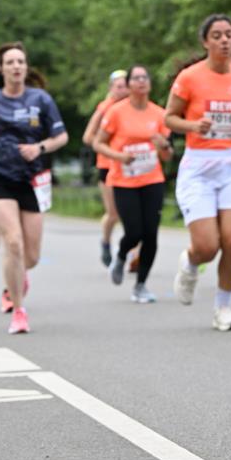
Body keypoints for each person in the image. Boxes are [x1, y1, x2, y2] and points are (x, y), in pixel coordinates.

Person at [164, 14, 231, 332]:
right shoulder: (189, 78)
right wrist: (193, 125)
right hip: (199, 166)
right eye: (217, 35)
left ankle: (223, 308)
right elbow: (169, 119)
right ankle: (190, 264)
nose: (224, 40)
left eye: (229, 34)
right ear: (205, 42)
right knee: (207, 246)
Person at [0, 41, 69, 334]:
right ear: (1, 70)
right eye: (10, 62)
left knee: (31, 256)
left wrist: (39, 147)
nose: (16, 66)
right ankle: (18, 309)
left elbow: (61, 137)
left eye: (21, 62)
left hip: (31, 179)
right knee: (12, 242)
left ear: (26, 68)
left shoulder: (41, 100)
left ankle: (16, 278)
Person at [94, 65, 172, 303]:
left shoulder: (159, 114)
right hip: (123, 180)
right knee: (134, 231)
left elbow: (167, 156)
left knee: (151, 234)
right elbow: (98, 143)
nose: (141, 82)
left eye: (144, 77)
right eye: (135, 78)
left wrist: (164, 146)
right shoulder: (116, 112)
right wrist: (118, 157)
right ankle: (120, 256)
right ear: (128, 85)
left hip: (152, 179)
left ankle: (141, 285)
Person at [82, 70, 129, 266]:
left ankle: (134, 255)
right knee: (114, 213)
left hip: (131, 166)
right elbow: (88, 137)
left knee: (133, 214)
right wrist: (107, 147)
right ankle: (106, 243)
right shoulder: (105, 108)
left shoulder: (134, 107)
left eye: (126, 85)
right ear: (111, 89)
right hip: (108, 166)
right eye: (118, 86)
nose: (123, 90)